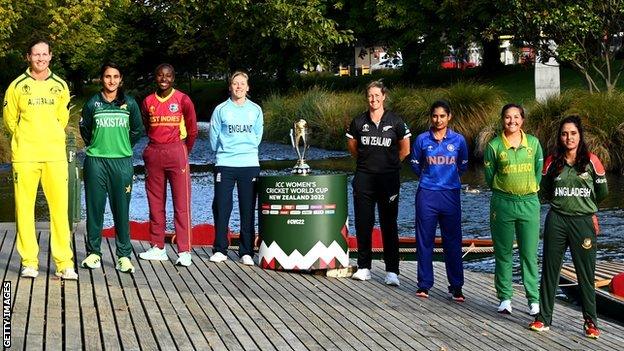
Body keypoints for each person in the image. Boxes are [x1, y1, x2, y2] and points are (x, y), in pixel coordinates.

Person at [2, 39, 77, 279]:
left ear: (50, 57)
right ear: (28, 57)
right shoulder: (16, 86)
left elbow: (62, 118)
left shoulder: (60, 85)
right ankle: (29, 261)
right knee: (24, 208)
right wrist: (26, 138)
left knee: (59, 209)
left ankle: (64, 263)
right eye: (36, 55)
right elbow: (10, 120)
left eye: (44, 54)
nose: (40, 59)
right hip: (25, 156)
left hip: (54, 155)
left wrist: (50, 134)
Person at [529, 116, 607, 339]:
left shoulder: (592, 161)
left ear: (580, 135)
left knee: (585, 273)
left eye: (573, 133)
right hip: (557, 220)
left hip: (582, 222)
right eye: (564, 133)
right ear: (560, 137)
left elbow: (602, 193)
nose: (568, 137)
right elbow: (544, 191)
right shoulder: (553, 161)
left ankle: (590, 322)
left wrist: (588, 209)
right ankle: (543, 318)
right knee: (550, 269)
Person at [79, 62, 144, 273]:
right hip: (96, 161)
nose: (111, 80)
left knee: (121, 210)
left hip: (122, 162)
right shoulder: (92, 104)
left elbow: (136, 131)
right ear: (102, 79)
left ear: (121, 79)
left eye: (116, 76)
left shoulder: (130, 104)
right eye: (108, 76)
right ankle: (94, 254)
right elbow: (85, 130)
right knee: (95, 209)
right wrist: (99, 146)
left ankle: (124, 256)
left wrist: (122, 147)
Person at [346, 80, 411, 286]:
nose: (373, 99)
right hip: (364, 177)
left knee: (389, 224)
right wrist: (368, 163)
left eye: (377, 95)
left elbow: (405, 149)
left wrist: (389, 164)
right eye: (370, 96)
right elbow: (353, 148)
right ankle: (364, 267)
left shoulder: (396, 121)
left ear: (384, 97)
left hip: (388, 179)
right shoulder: (358, 122)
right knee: (364, 223)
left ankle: (392, 271)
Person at [484, 103, 543, 315]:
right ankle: (505, 298)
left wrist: (528, 189)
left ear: (523, 119)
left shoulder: (534, 144)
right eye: (508, 117)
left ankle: (533, 300)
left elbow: (538, 173)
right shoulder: (494, 146)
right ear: (502, 120)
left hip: (529, 203)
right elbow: (490, 179)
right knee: (503, 252)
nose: (512, 121)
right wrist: (505, 192)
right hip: (502, 203)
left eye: (516, 117)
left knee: (529, 254)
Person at [138, 63, 198, 266]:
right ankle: (158, 247)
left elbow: (192, 130)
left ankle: (184, 251)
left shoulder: (183, 99)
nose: (164, 79)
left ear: (173, 78)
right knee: (155, 202)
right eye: (160, 75)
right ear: (155, 77)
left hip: (176, 151)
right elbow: (147, 127)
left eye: (168, 76)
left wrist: (182, 151)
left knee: (181, 203)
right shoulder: (147, 101)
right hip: (154, 152)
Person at [410, 100, 468, 301]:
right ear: (431, 117)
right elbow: (416, 166)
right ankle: (424, 284)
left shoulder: (459, 140)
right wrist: (431, 179)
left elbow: (462, 166)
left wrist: (447, 179)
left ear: (449, 117)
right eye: (435, 116)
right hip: (427, 194)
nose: (438, 119)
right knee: (424, 240)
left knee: (452, 241)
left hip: (450, 194)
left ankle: (456, 286)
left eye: (442, 116)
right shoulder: (422, 139)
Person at [208, 71, 263, 265]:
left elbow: (257, 136)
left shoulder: (255, 110)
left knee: (247, 208)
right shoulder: (221, 109)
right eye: (235, 83)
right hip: (225, 164)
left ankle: (246, 251)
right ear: (230, 87)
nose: (238, 87)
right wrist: (223, 152)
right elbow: (213, 137)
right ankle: (220, 249)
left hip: (249, 164)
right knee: (222, 207)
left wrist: (245, 150)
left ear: (248, 88)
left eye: (242, 84)